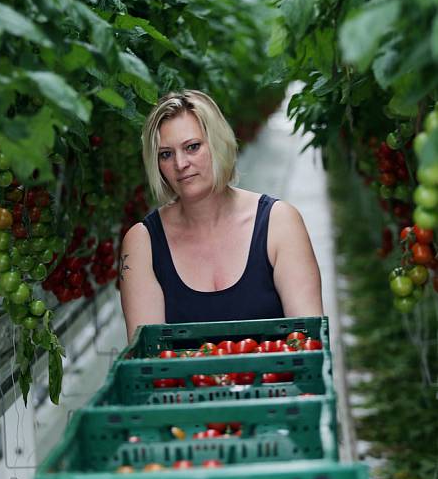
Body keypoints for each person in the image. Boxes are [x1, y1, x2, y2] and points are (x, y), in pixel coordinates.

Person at [119, 90, 323, 342]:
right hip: (181, 384)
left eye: (192, 147)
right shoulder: (143, 243)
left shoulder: (279, 224)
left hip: (274, 382)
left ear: (218, 143)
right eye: (166, 154)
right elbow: (147, 361)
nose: (180, 164)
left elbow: (307, 345)